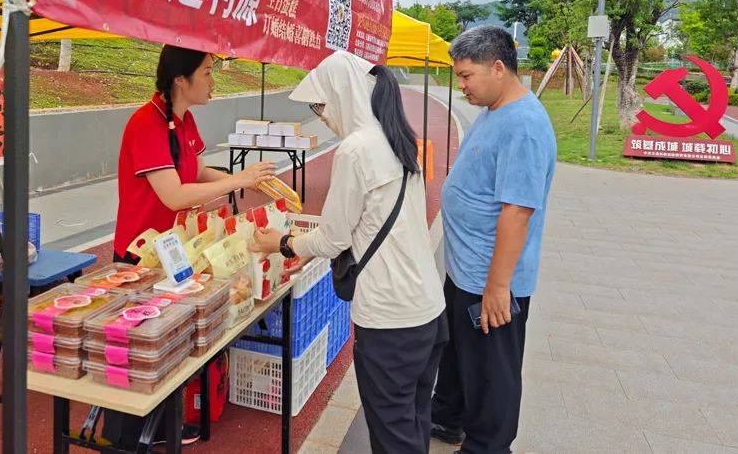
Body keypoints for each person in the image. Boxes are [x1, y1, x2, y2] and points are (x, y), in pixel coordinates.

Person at [252, 51, 446, 454]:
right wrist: (307, 246)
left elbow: (333, 239)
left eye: (321, 106)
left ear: (343, 96)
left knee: (392, 435)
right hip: (428, 309)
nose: (322, 116)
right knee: (414, 421)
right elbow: (364, 224)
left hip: (390, 320)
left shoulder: (355, 149)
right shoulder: (396, 136)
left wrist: (282, 243)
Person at [105, 45, 275, 448]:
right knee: (140, 350)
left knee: (169, 345)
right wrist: (238, 181)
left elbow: (196, 171)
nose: (213, 81)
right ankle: (126, 438)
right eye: (208, 72)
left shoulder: (184, 120)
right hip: (140, 257)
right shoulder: (145, 123)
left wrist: (246, 179)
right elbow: (174, 195)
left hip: (174, 252)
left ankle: (163, 426)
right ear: (181, 80)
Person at [430, 26, 556, 454]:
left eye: (467, 76)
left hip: (491, 277)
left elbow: (517, 212)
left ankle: (488, 446)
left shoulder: (524, 126)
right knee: (457, 356)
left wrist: (498, 287)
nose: (461, 86)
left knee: (491, 371)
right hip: (466, 269)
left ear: (498, 68)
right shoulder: (494, 109)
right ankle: (447, 417)